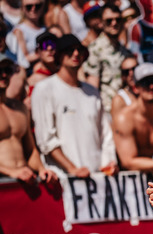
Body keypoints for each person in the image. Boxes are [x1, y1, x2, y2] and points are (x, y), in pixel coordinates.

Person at [31, 34, 117, 177]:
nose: (76, 54)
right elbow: (46, 140)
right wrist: (72, 169)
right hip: (63, 179)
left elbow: (105, 134)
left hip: (96, 179)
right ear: (59, 55)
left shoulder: (92, 92)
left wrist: (108, 163)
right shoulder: (44, 89)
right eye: (69, 51)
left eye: (79, 51)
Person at [0, 52, 56, 183]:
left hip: (24, 178)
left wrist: (42, 169)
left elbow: (30, 150)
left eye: (7, 70)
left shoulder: (20, 108)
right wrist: (11, 172)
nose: (3, 75)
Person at [81, 2, 134, 113]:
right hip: (107, 110)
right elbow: (92, 87)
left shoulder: (125, 51)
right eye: (109, 20)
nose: (114, 24)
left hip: (127, 108)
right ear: (101, 23)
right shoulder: (94, 50)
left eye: (118, 20)